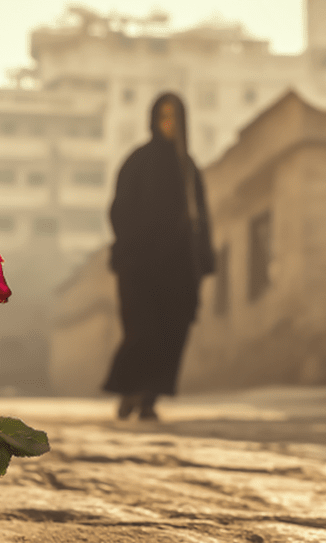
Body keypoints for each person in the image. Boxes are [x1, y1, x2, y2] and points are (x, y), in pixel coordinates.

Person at [102, 93, 215, 421]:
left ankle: (150, 397)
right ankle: (129, 390)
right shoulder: (138, 161)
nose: (169, 124)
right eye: (164, 116)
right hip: (141, 266)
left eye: (175, 118)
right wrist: (137, 244)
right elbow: (120, 210)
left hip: (178, 268)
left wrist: (203, 258)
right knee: (142, 331)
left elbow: (201, 217)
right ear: (153, 120)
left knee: (171, 332)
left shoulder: (188, 167)